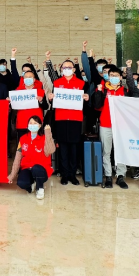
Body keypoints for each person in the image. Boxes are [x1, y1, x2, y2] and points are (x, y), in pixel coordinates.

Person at [46, 53, 89, 186]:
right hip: (61, 118)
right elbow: (53, 102)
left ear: (74, 69)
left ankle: (72, 174)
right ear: (61, 69)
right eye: (64, 68)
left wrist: (87, 98)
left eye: (69, 67)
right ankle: (64, 174)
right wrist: (50, 98)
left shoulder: (81, 83)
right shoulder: (57, 83)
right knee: (63, 147)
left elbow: (86, 102)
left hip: (76, 119)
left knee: (74, 148)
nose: (67, 69)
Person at [92, 65, 130, 189]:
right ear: (108, 77)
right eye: (111, 75)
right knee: (106, 151)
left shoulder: (125, 91)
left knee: (121, 151)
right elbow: (97, 106)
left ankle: (120, 176)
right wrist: (98, 92)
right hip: (106, 124)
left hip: (121, 126)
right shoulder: (103, 89)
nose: (114, 78)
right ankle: (108, 176)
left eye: (116, 76)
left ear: (120, 77)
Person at [7, 117, 56, 200]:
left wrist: (48, 133)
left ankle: (40, 188)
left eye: (35, 123)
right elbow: (17, 159)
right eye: (31, 123)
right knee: (21, 183)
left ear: (40, 125)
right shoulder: (23, 139)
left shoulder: (44, 138)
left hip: (41, 169)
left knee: (36, 168)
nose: (32, 125)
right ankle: (32, 184)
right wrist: (11, 176)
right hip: (27, 168)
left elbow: (51, 150)